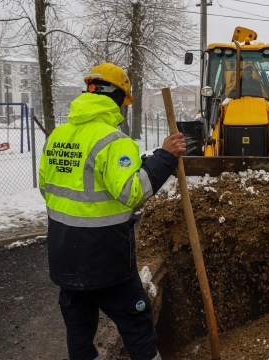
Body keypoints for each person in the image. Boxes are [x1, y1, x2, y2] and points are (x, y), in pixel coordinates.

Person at [38, 62, 186, 360]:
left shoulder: (58, 136)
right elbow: (132, 193)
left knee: (79, 335)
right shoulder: (114, 141)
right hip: (105, 261)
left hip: (64, 256)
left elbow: (47, 187)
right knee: (137, 326)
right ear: (119, 99)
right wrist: (164, 158)